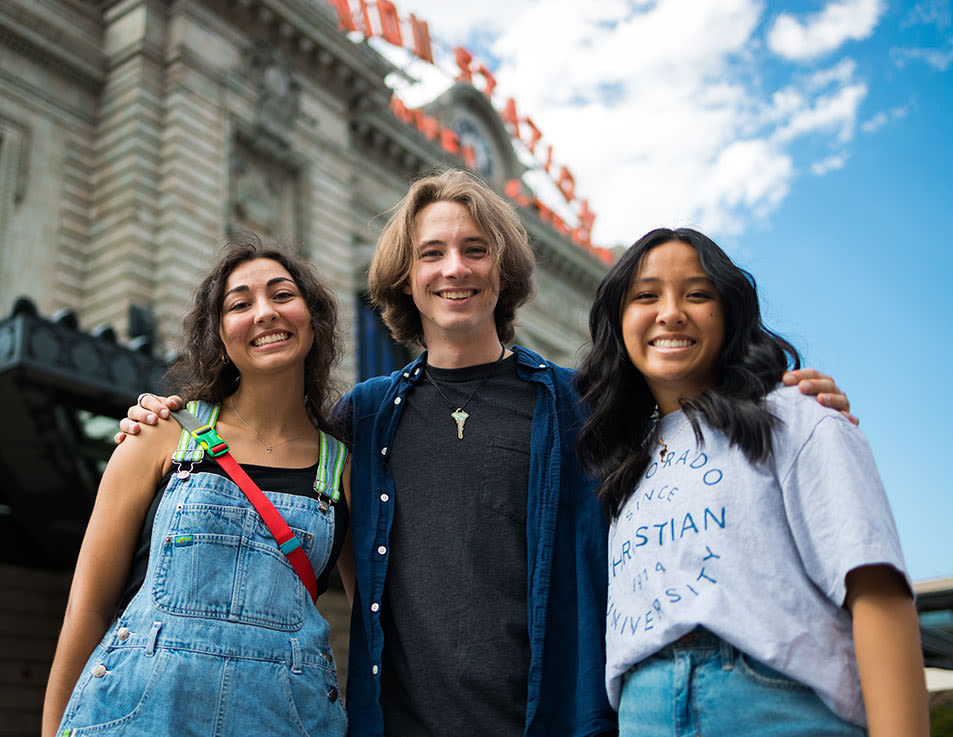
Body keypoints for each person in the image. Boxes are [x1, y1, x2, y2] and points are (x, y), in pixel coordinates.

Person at [120, 171, 853, 737]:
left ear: (502, 270)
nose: (455, 268)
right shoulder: (363, 416)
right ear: (406, 277)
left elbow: (692, 432)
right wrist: (174, 410)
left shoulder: (585, 405)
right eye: (431, 253)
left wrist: (774, 388)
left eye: (475, 250)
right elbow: (267, 444)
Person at [574, 227, 927, 737]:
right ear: (618, 322)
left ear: (731, 313)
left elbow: (876, 590)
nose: (670, 312)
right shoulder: (622, 466)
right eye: (645, 296)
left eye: (697, 294)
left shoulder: (795, 415)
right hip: (641, 714)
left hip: (773, 705)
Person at [43, 236, 352, 737]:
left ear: (313, 318)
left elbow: (368, 626)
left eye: (282, 295)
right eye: (240, 304)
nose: (265, 313)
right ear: (219, 335)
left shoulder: (344, 470)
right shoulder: (159, 435)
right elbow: (88, 606)